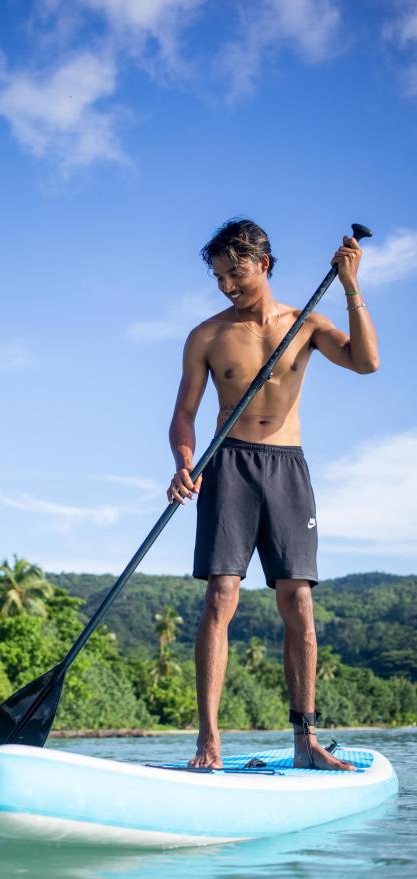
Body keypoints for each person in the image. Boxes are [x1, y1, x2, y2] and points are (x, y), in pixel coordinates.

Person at [167, 218, 379, 770]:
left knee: (298, 603)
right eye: (217, 276)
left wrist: (352, 286)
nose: (226, 286)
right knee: (220, 597)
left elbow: (366, 361)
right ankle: (208, 742)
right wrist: (185, 463)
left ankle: (306, 741)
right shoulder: (207, 336)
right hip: (227, 462)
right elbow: (184, 414)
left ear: (262, 263)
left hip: (287, 467)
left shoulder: (305, 324)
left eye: (234, 273)